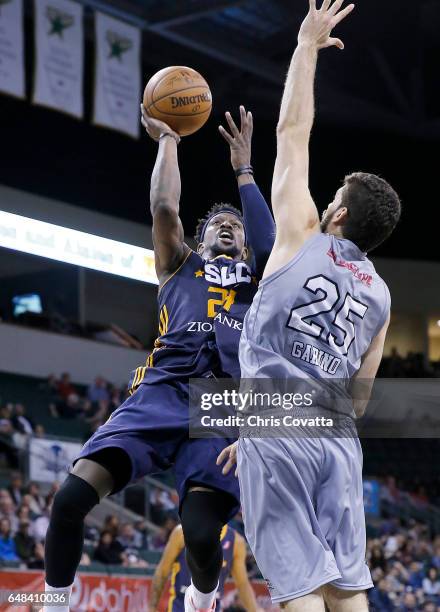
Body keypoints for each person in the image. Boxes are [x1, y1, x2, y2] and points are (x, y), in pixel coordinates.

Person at [43, 106, 275, 612]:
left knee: (199, 535)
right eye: (218, 223)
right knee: (69, 501)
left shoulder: (259, 290)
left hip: (221, 407)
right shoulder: (180, 266)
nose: (228, 227)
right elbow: (165, 208)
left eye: (235, 224)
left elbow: (270, 243)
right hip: (159, 393)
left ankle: (202, 598)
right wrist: (169, 139)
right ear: (201, 238)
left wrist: (244, 171)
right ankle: (54, 601)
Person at [218, 1, 401, 611]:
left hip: (280, 429)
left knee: (297, 591)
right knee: (347, 589)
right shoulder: (381, 294)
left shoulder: (299, 230)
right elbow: (360, 397)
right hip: (339, 444)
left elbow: (292, 133)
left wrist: (304, 48)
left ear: (338, 214)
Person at [149, 523, 259, 612]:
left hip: (212, 606)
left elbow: (242, 584)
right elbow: (162, 573)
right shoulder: (181, 532)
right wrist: (152, 608)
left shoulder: (236, 541)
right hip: (181, 605)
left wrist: (255, 610)